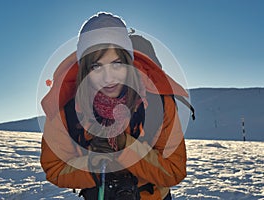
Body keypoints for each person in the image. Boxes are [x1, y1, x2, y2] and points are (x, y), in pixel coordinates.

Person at [40, 12, 188, 200]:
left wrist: (126, 148)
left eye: (117, 63)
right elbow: (55, 168)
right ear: (85, 69)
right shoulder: (66, 110)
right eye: (96, 66)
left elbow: (174, 170)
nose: (108, 78)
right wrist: (93, 167)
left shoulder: (157, 104)